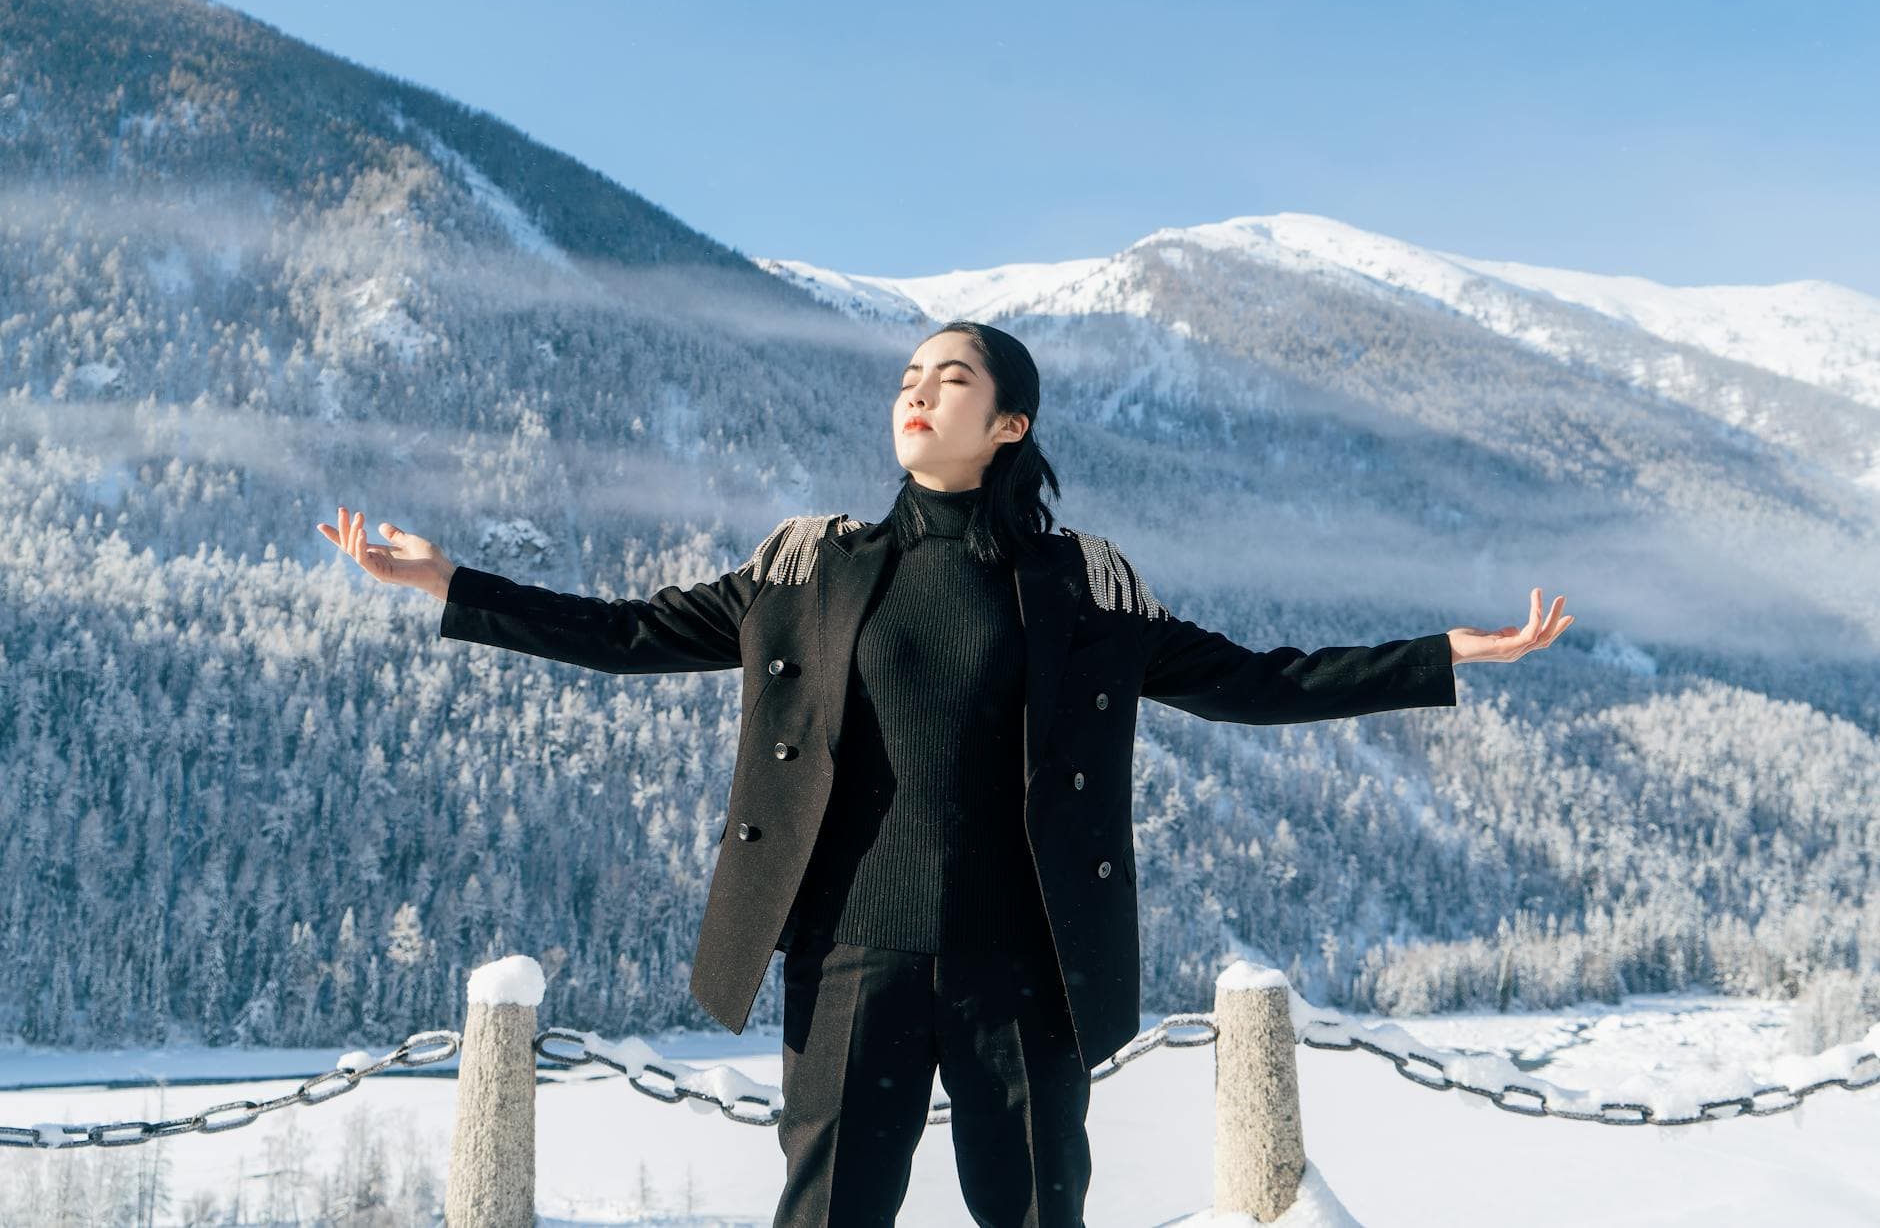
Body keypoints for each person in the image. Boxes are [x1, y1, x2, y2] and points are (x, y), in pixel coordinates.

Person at [319, 320, 1572, 1226]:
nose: (920, 391)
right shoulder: (806, 571)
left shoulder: (1079, 585)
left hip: (1021, 968)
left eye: (952, 376)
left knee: (1032, 1211)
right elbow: (628, 633)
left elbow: (1251, 680)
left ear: (1008, 421)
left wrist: (1435, 654)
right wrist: (450, 585)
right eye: (909, 375)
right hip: (848, 960)